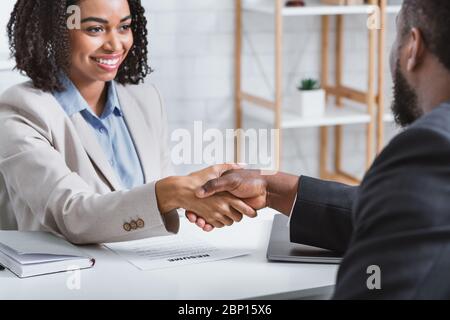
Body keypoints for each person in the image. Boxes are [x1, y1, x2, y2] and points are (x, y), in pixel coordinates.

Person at [189, 0, 450, 299]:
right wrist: (270, 188)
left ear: (413, 48)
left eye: (396, 36)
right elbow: (404, 217)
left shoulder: (432, 145)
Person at [0, 0, 256, 243]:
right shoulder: (22, 110)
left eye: (124, 26)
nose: (115, 44)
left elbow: (161, 200)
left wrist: (200, 193)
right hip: (64, 281)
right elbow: (71, 215)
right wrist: (172, 191)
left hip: (147, 271)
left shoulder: (145, 100)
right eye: (95, 29)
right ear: (53, 32)